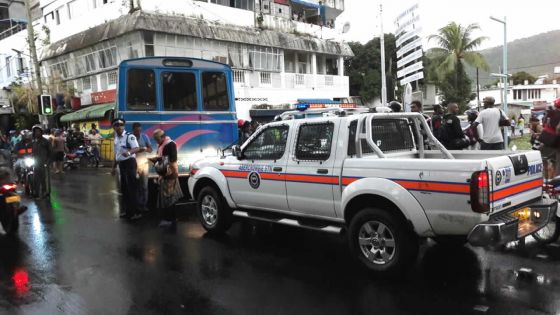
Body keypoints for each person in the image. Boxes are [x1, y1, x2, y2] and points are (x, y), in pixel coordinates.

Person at [149, 129, 183, 229]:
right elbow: (164, 158)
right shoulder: (163, 145)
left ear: (163, 137)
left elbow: (172, 161)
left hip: (170, 175)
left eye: (157, 139)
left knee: (169, 198)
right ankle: (170, 219)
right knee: (168, 197)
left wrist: (175, 174)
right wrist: (156, 159)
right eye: (155, 139)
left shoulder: (169, 145)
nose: (156, 141)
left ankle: (170, 220)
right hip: (166, 174)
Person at [111, 118, 142, 220]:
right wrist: (113, 167)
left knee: (132, 188)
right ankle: (128, 211)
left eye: (121, 125)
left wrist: (129, 152)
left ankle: (136, 212)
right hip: (122, 164)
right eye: (116, 125)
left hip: (130, 163)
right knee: (124, 188)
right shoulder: (116, 139)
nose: (119, 127)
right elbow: (116, 154)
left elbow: (137, 148)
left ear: (123, 126)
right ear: (114, 127)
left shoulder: (129, 136)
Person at [132, 122, 153, 212]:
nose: (138, 132)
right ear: (133, 130)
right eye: (137, 131)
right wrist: (135, 150)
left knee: (144, 185)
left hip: (144, 164)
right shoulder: (130, 138)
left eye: (140, 130)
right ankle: (136, 204)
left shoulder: (144, 137)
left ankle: (144, 204)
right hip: (133, 164)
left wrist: (144, 149)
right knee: (135, 185)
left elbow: (150, 149)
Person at [31, 125, 52, 199]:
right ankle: (36, 193)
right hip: (35, 163)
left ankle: (45, 192)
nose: (37, 133)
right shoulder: (33, 141)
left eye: (38, 131)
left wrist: (48, 162)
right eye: (35, 132)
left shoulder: (46, 141)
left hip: (44, 162)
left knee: (44, 179)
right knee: (35, 179)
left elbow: (50, 152)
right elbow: (32, 152)